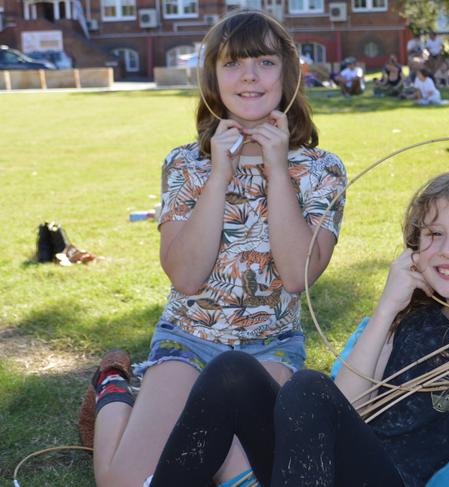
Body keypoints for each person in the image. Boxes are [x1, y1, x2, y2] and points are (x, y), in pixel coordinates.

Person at [148, 170, 449, 487]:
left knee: (306, 386)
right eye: (434, 234)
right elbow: (346, 405)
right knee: (233, 371)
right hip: (320, 470)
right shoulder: (410, 319)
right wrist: (387, 309)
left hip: (392, 478)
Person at [77, 10, 347, 487]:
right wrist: (219, 175)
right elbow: (185, 277)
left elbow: (295, 276)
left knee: (238, 475)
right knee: (123, 483)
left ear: (287, 72)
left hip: (269, 346)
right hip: (189, 340)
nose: (248, 76)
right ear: (212, 77)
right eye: (232, 64)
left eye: (264, 62)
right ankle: (114, 390)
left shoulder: (323, 169)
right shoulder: (185, 163)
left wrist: (276, 168)